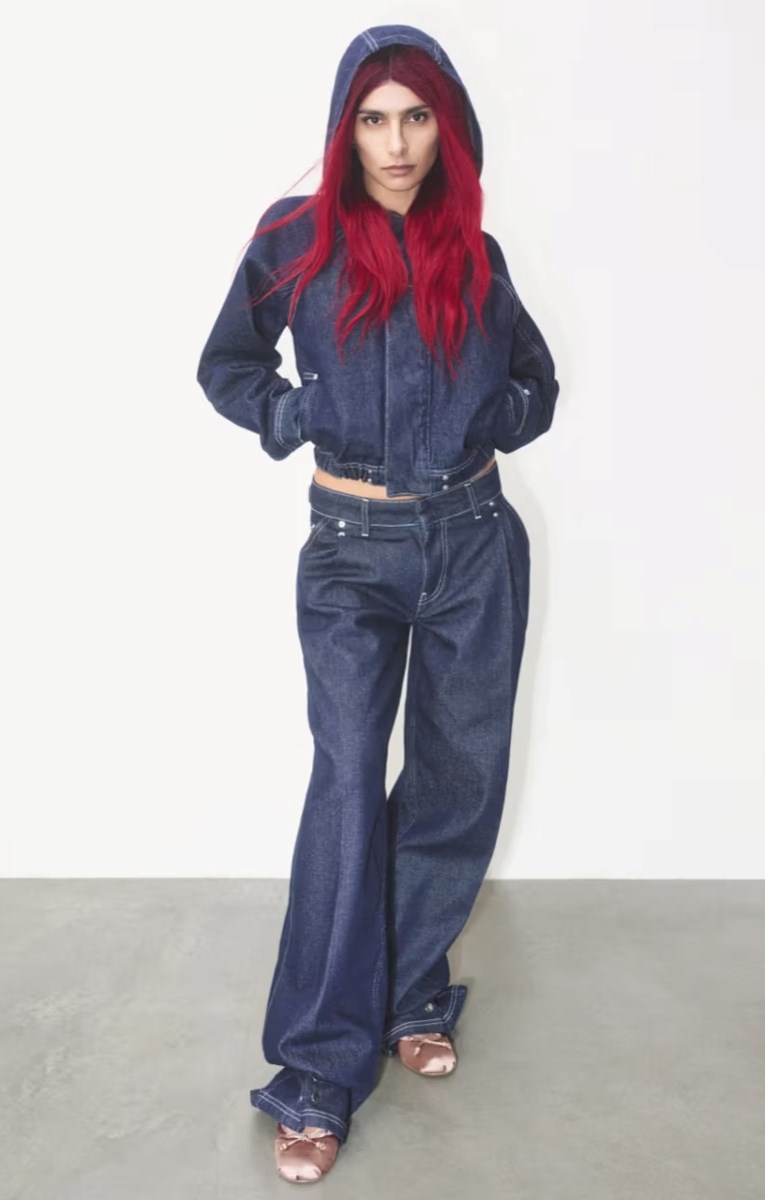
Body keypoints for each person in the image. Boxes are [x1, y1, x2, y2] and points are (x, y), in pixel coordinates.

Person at [196, 22, 560, 1184]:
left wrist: (491, 421)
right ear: (344, 129)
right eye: (373, 119)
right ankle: (316, 1069)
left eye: (415, 119)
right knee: (351, 786)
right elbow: (227, 366)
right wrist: (297, 415)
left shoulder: (474, 253)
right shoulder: (294, 239)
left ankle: (410, 989)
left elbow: (536, 382)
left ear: (446, 131)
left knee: (457, 780)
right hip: (352, 551)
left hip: (474, 544)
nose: (395, 144)